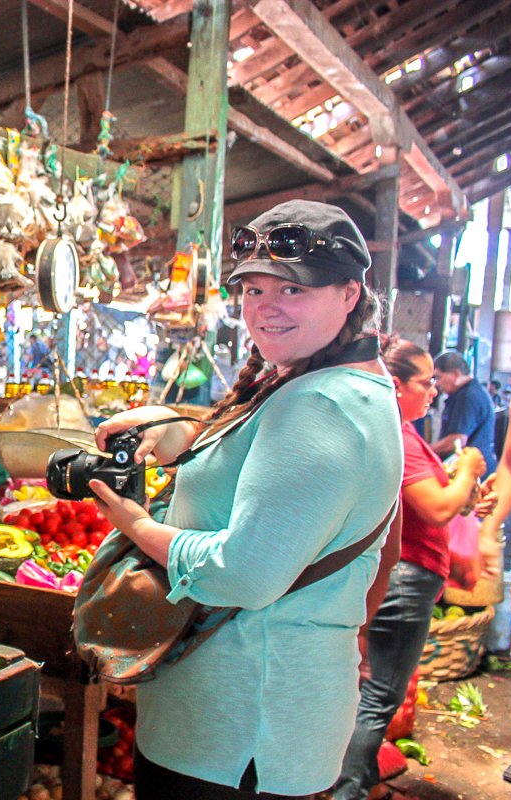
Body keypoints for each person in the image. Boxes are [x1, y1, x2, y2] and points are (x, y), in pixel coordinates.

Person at [89, 200, 403, 799]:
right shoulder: (322, 382)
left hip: (239, 731)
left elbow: (245, 575)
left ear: (348, 293)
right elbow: (265, 477)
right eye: (254, 289)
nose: (266, 307)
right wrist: (178, 435)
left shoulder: (321, 404)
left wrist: (134, 524)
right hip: (243, 720)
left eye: (293, 288)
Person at [330, 338, 491, 800]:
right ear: (396, 386)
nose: (435, 391)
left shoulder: (404, 431)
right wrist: (469, 469)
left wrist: (466, 488)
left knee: (371, 694)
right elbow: (436, 508)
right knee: (378, 696)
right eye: (426, 383)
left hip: (404, 575)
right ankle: (347, 791)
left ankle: (346, 784)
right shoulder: (397, 436)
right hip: (402, 577)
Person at [431, 351, 496, 476]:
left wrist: (424, 451)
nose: (437, 384)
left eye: (439, 377)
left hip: (472, 474)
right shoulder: (472, 391)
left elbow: (456, 441)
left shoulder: (467, 397)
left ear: (456, 374)